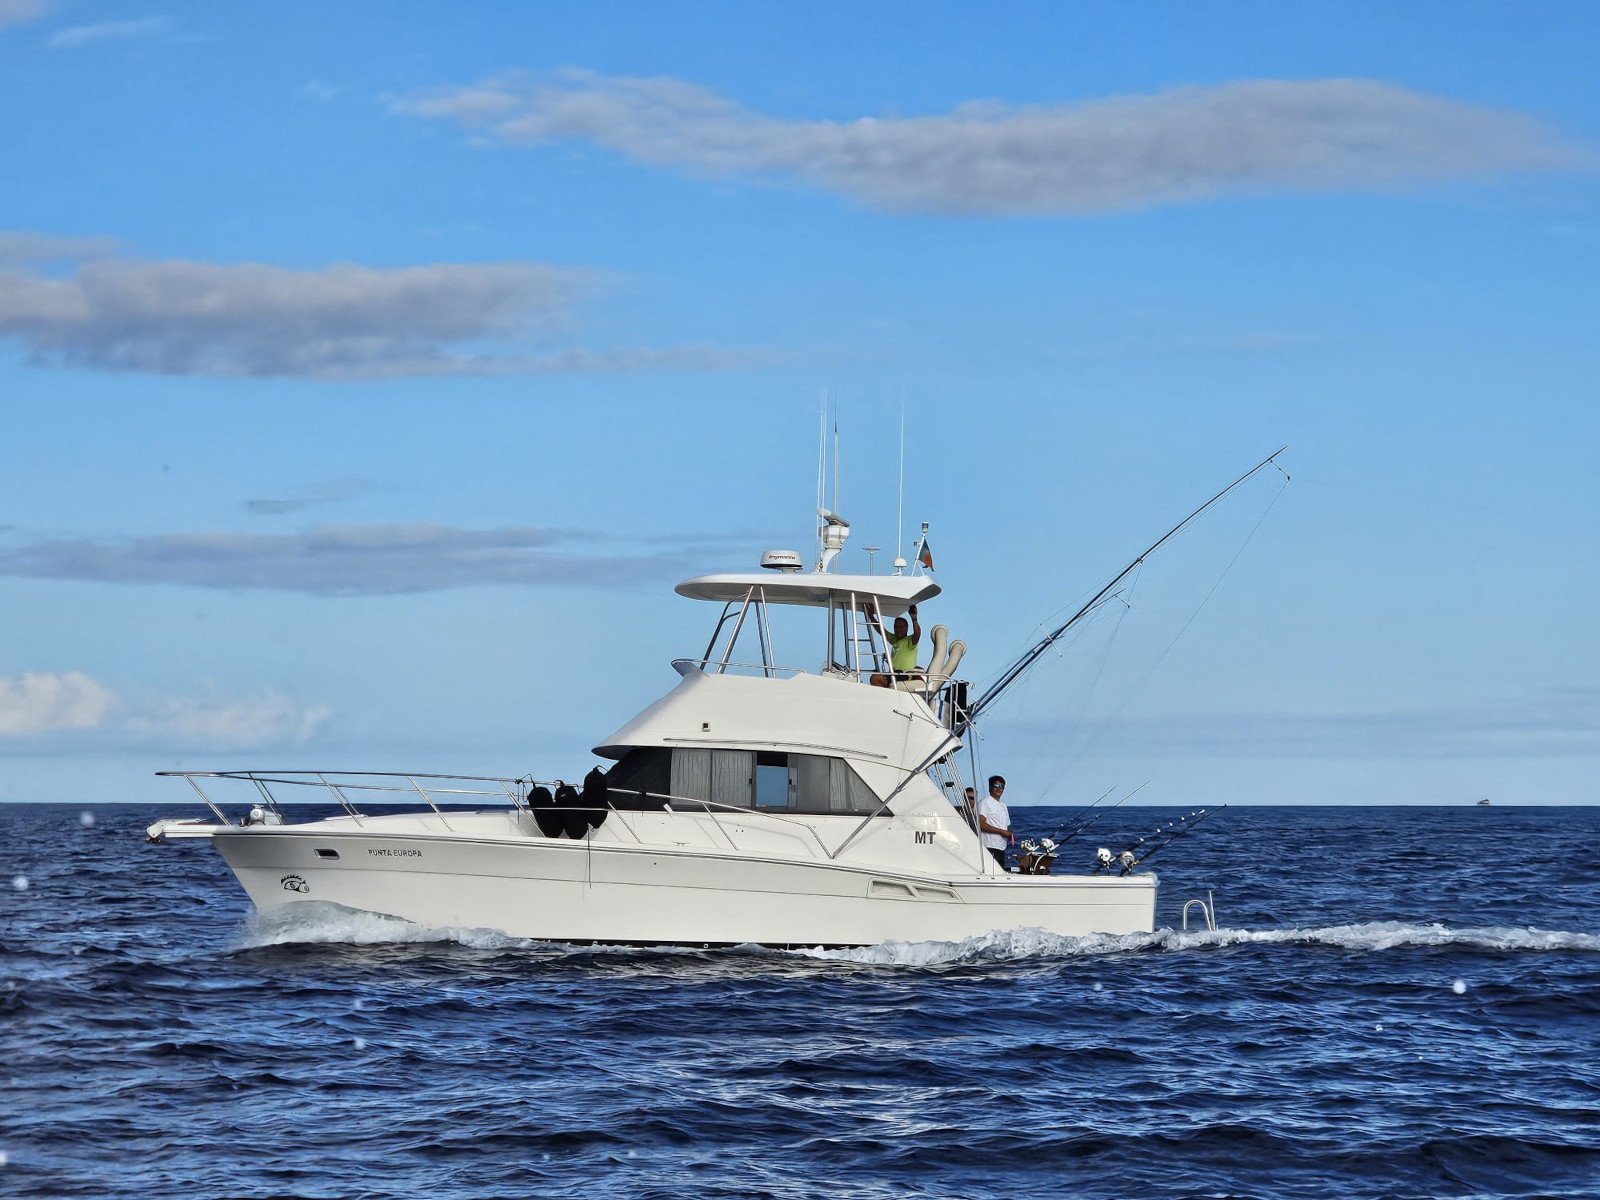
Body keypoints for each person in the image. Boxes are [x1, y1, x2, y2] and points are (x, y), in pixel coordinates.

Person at [869, 604, 921, 688]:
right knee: (876, 677)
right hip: (895, 674)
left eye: (901, 627)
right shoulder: (894, 639)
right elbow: (881, 631)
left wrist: (914, 619)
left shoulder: (910, 640)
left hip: (904, 675)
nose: (898, 629)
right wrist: (871, 616)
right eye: (896, 627)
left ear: (906, 628)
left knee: (875, 678)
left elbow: (917, 634)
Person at [976, 775, 1012, 870]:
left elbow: (1007, 826)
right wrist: (1002, 832)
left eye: (1001, 786)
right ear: (990, 787)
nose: (999, 788)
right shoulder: (985, 802)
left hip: (1001, 848)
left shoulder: (1003, 805)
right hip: (989, 848)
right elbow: (981, 824)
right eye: (996, 786)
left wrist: (1010, 835)